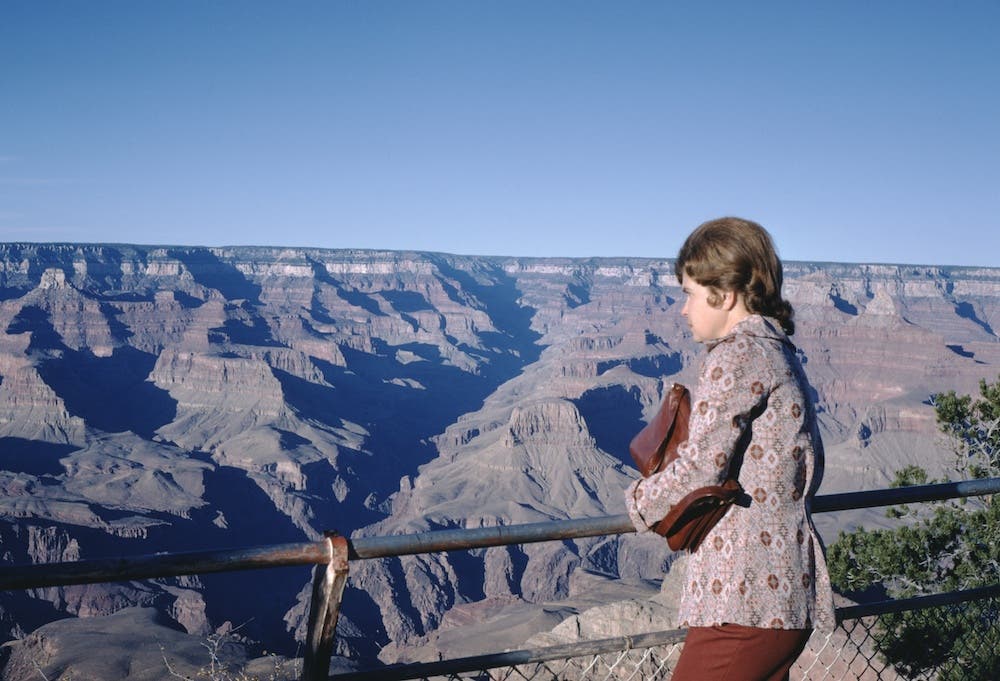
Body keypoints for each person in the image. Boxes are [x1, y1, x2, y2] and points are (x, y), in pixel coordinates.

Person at [624, 217, 836, 681]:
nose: (683, 310)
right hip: (783, 596)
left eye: (691, 293)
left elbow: (701, 466)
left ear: (727, 292)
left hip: (746, 599)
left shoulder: (737, 355)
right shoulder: (777, 349)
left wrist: (638, 501)